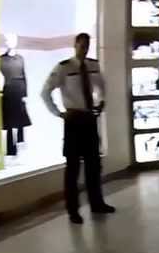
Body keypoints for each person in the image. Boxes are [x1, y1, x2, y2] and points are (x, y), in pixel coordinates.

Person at [40, 32, 117, 224]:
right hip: (73, 121)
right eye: (81, 46)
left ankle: (97, 203)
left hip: (89, 119)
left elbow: (102, 86)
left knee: (93, 165)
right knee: (73, 168)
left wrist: (101, 102)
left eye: (87, 46)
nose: (84, 50)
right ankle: (73, 210)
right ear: (75, 46)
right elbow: (45, 92)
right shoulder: (64, 67)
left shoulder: (93, 66)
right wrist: (58, 113)